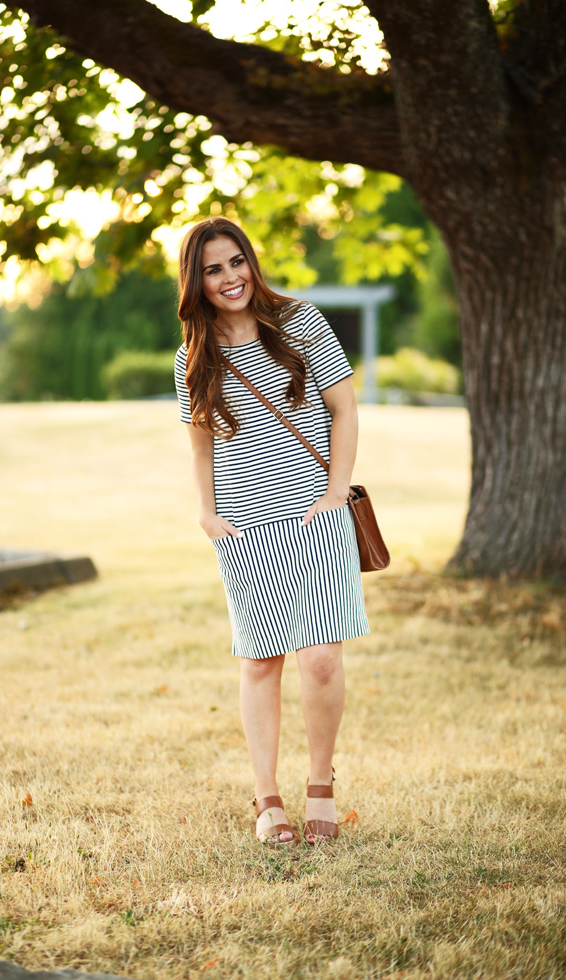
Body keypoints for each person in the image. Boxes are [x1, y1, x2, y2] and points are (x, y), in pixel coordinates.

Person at [174, 217, 369, 846]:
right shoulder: (193, 358)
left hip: (318, 513)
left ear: (251, 262)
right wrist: (207, 514)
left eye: (236, 262)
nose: (229, 278)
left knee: (319, 660)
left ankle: (320, 787)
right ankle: (267, 800)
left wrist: (337, 495)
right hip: (245, 525)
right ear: (196, 282)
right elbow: (200, 447)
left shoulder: (301, 321)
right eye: (213, 269)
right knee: (261, 661)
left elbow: (344, 410)